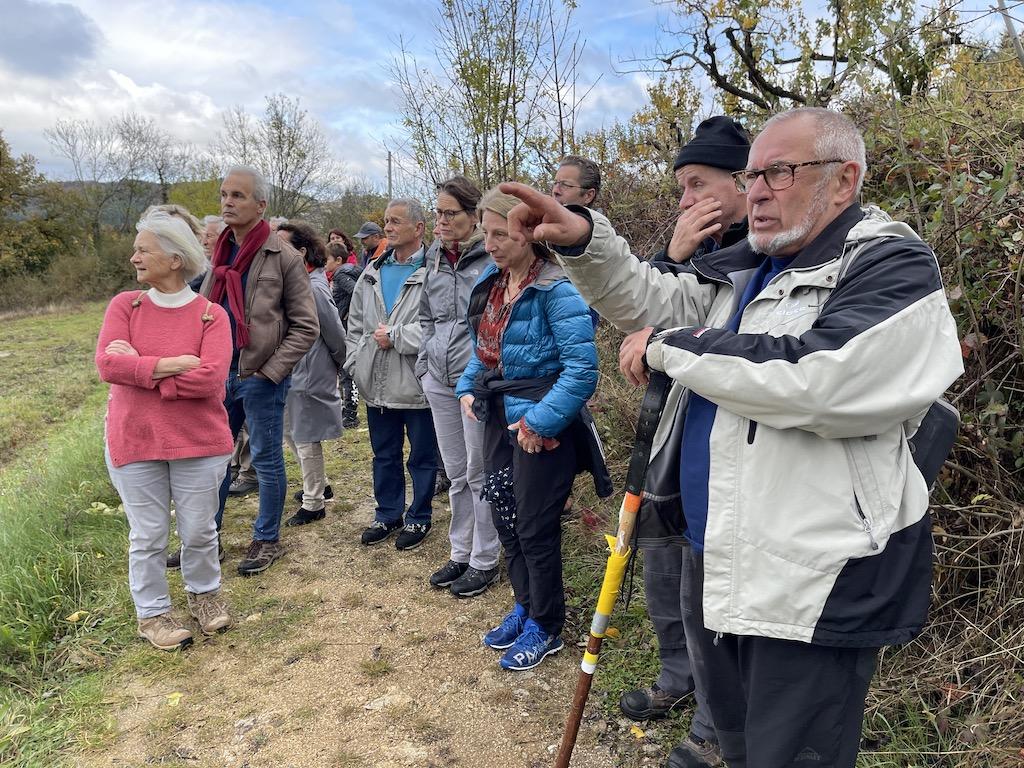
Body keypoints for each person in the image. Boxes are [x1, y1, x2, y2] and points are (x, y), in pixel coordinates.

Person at [499, 107, 964, 767]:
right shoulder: (752, 265)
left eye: (779, 171)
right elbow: (649, 299)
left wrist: (670, 347)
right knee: (740, 748)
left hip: (813, 578)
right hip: (722, 554)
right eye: (751, 176)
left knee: (795, 757)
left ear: (843, 179)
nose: (757, 191)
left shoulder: (892, 260)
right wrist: (581, 239)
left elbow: (820, 375)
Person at [618, 116, 751, 768]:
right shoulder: (692, 252)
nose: (686, 199)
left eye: (697, 182)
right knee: (661, 568)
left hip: (724, 455)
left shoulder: (768, 252)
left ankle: (714, 723)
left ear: (744, 178)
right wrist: (669, 256)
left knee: (710, 591)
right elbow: (632, 320)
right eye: (679, 187)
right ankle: (678, 678)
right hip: (667, 436)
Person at [455, 188, 600, 671]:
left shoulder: (558, 290)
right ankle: (525, 605)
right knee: (504, 512)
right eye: (486, 233)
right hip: (501, 415)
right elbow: (485, 350)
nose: (490, 243)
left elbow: (581, 370)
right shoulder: (497, 286)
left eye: (501, 233)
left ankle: (547, 625)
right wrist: (468, 386)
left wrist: (538, 422)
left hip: (543, 423)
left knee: (536, 525)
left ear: (531, 235)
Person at [96, 210, 234, 650]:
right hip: (135, 439)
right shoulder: (125, 306)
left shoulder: (212, 316)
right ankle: (153, 613)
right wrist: (172, 364)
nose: (134, 256)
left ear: (175, 259)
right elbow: (107, 365)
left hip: (199, 441)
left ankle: (204, 596)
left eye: (143, 249)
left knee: (198, 530)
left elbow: (211, 380)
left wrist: (139, 369)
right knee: (149, 534)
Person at [201, 166, 318, 576]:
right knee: (214, 461)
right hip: (217, 375)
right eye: (224, 195)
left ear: (261, 205)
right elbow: (202, 312)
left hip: (259, 376)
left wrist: (270, 372)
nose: (228, 202)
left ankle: (267, 539)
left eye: (238, 195)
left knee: (267, 460)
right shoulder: (218, 253)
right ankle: (206, 542)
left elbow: (307, 325)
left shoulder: (282, 256)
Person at [417, 175, 502, 598]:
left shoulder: (492, 258)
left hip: (475, 382)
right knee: (454, 473)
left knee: (477, 471)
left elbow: (498, 322)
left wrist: (483, 374)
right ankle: (460, 550)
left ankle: (485, 558)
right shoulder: (433, 256)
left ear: (474, 217)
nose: (441, 221)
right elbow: (427, 317)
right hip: (438, 378)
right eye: (438, 213)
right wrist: (424, 365)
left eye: (450, 213)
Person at [346, 199, 438, 551]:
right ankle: (387, 514)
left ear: (418, 228)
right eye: (386, 221)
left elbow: (439, 327)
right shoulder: (371, 273)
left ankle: (419, 517)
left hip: (416, 384)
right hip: (376, 383)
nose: (387, 227)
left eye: (396, 221)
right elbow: (355, 325)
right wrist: (356, 363)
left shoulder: (434, 272)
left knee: (422, 457)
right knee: (383, 455)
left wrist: (398, 336)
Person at [275, 222, 347, 526]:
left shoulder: (314, 288)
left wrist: (340, 366)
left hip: (309, 371)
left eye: (283, 246)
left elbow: (335, 333)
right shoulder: (296, 283)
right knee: (290, 432)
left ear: (301, 251)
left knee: (305, 437)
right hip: (294, 371)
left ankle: (314, 501)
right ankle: (318, 483)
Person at [327, 241, 363, 429]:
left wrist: (349, 311)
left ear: (338, 260)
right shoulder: (350, 270)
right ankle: (348, 411)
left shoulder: (341, 274)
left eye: (328, 259)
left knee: (346, 370)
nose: (325, 263)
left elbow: (358, 292)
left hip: (347, 326)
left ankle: (350, 414)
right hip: (347, 324)